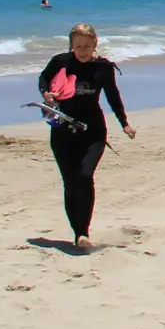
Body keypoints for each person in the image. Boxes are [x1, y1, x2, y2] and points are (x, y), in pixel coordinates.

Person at [37, 24, 134, 250]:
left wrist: (125, 123)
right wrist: (46, 94)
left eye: (86, 46)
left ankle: (84, 231)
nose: (82, 50)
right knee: (70, 182)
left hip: (93, 131)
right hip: (63, 130)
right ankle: (79, 233)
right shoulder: (60, 62)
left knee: (84, 175)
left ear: (95, 44)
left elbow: (113, 96)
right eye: (78, 45)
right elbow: (43, 78)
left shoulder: (103, 67)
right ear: (71, 45)